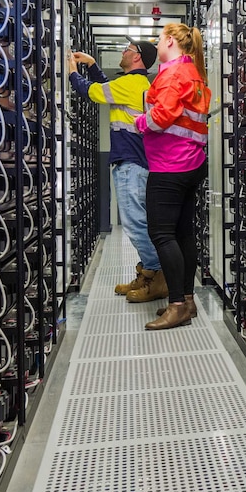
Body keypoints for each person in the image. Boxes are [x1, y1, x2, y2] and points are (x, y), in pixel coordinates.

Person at [68, 37, 168, 303]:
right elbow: (107, 87)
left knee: (135, 224)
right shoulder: (135, 83)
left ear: (137, 58)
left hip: (131, 163)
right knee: (138, 221)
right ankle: (148, 273)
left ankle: (156, 275)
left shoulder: (131, 84)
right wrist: (91, 64)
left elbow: (92, 92)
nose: (123, 51)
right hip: (134, 161)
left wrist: (71, 72)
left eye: (128, 49)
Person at [135, 23, 211, 330]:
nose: (157, 43)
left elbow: (161, 116)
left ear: (169, 40)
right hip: (191, 162)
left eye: (159, 38)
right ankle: (188, 300)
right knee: (183, 233)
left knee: (162, 234)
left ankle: (177, 305)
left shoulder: (173, 74)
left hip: (171, 164)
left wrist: (140, 121)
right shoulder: (193, 74)